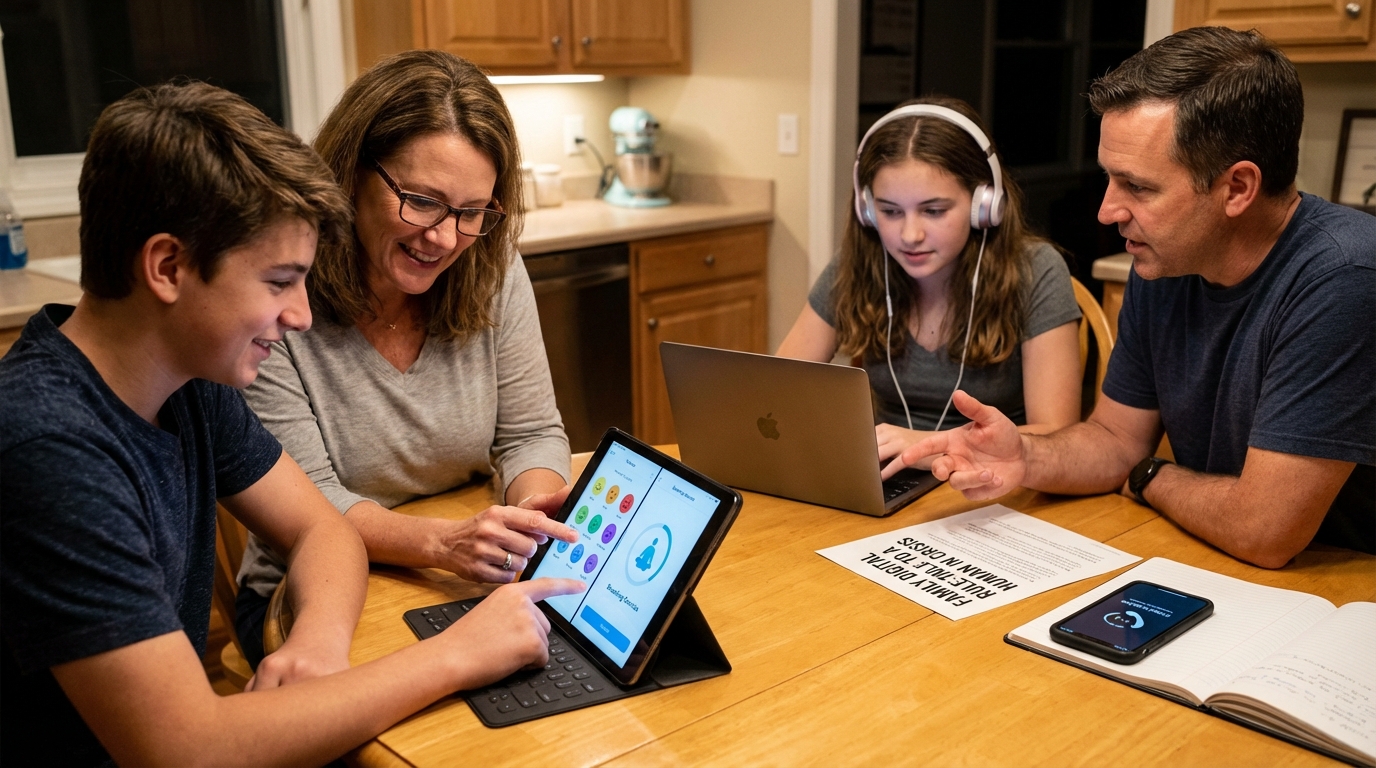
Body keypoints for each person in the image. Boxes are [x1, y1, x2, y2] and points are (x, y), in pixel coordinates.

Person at [0, 81, 582, 767]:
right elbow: (186, 749)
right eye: (278, 282)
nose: (302, 314)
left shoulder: (184, 379)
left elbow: (322, 527)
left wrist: (318, 649)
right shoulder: (48, 447)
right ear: (167, 267)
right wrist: (455, 655)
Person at [885, 27, 1376, 568]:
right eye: (1109, 179)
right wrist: (1025, 455)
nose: (1107, 211)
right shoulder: (1163, 263)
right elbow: (1116, 440)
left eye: (1137, 187)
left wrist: (1150, 475)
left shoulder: (1345, 277)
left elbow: (1264, 529)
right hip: (1225, 564)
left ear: (1237, 188)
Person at [234, 50, 578, 666]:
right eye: (421, 200)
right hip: (306, 598)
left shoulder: (490, 266)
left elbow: (530, 432)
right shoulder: (283, 295)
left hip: (465, 576)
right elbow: (308, 503)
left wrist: (531, 515)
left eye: (471, 212)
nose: (445, 238)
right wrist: (444, 544)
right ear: (351, 174)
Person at [776, 97, 1082, 466]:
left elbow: (1057, 433)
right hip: (887, 473)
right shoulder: (861, 263)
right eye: (889, 211)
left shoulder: (1037, 272)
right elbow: (779, 387)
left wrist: (925, 445)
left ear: (983, 206)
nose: (909, 234)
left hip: (996, 481)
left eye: (933, 211)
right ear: (867, 211)